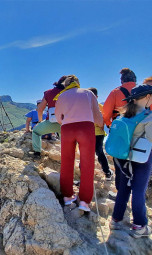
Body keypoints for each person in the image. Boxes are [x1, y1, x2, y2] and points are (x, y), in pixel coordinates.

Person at [110, 85, 152, 238]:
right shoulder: (149, 115)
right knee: (138, 190)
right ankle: (139, 225)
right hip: (141, 156)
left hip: (123, 156)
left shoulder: (124, 114)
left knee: (124, 188)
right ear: (147, 97)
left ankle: (116, 219)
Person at [55, 75, 103, 212]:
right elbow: (97, 114)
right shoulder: (88, 93)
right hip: (86, 128)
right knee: (87, 163)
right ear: (78, 83)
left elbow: (59, 117)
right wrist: (101, 125)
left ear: (66, 85)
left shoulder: (61, 96)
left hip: (67, 129)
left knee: (66, 161)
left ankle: (67, 197)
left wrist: (67, 121)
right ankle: (84, 202)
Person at [103, 68, 138, 190]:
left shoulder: (115, 92)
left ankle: (121, 191)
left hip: (121, 130)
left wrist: (109, 124)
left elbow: (106, 113)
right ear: (135, 79)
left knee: (119, 159)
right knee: (138, 159)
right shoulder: (144, 93)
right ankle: (138, 190)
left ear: (122, 80)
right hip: (140, 130)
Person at [31, 76, 65, 158]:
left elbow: (40, 109)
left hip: (51, 121)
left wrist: (39, 122)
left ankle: (37, 152)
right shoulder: (69, 92)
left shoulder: (48, 93)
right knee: (65, 140)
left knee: (35, 132)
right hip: (65, 123)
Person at [87, 87, 112, 180]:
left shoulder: (84, 106)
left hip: (88, 133)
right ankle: (107, 172)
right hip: (98, 133)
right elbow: (105, 120)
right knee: (99, 152)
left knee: (87, 153)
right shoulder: (101, 107)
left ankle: (86, 175)